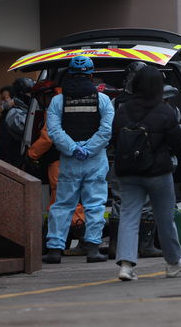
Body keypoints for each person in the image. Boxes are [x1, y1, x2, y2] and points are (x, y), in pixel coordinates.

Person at [112, 65, 181, 281]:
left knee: (128, 215)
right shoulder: (165, 110)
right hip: (158, 172)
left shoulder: (123, 109)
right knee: (164, 217)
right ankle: (173, 262)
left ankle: (126, 266)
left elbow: (114, 138)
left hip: (127, 172)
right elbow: (176, 142)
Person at [43, 56, 114, 264]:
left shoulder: (58, 100)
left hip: (69, 159)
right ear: (91, 75)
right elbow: (106, 130)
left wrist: (73, 149)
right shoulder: (102, 99)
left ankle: (55, 250)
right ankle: (92, 249)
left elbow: (54, 131)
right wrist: (89, 149)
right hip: (95, 158)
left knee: (63, 204)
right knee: (95, 205)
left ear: (70, 75)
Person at [107, 61, 164, 259]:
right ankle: (146, 246)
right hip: (147, 160)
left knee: (120, 201)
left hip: (122, 159)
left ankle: (115, 246)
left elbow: (111, 132)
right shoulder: (155, 102)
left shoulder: (118, 102)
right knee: (147, 202)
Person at [25, 80, 85, 252]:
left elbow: (47, 136)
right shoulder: (68, 100)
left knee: (63, 196)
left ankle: (75, 233)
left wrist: (31, 154)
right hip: (76, 155)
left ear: (45, 96)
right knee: (69, 196)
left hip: (59, 158)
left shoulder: (54, 106)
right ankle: (64, 236)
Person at [3, 77, 35, 166]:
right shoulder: (13, 113)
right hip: (18, 159)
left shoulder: (27, 108)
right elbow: (28, 130)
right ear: (22, 93)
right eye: (29, 92)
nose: (31, 95)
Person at [0, 85, 17, 164]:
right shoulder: (4, 114)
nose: (3, 102)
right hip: (3, 153)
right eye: (2, 99)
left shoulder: (16, 115)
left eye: (5, 99)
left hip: (11, 155)